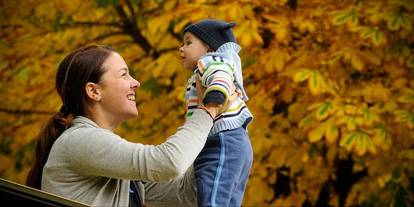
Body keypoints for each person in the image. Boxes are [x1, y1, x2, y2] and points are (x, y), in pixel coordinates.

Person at [26, 45, 236, 207]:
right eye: (124, 74)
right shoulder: (78, 141)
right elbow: (169, 163)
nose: (136, 82)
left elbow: (188, 194)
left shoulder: (114, 164)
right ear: (94, 91)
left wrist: (225, 126)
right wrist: (207, 109)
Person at [179, 19, 254, 207]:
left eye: (188, 43)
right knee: (225, 200)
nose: (182, 49)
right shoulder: (213, 65)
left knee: (211, 199)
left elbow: (220, 75)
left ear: (208, 47)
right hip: (234, 144)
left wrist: (215, 94)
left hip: (221, 142)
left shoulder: (211, 62)